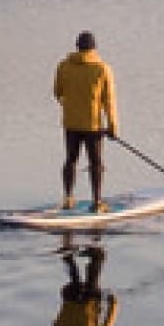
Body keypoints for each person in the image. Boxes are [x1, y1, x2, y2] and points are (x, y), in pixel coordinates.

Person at [52, 28, 117, 213]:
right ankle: (97, 202)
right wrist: (113, 126)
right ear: (94, 48)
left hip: (70, 123)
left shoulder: (64, 66)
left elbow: (58, 92)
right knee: (96, 163)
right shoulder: (102, 68)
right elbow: (109, 101)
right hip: (93, 126)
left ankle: (67, 198)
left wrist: (71, 106)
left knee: (70, 160)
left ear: (77, 47)